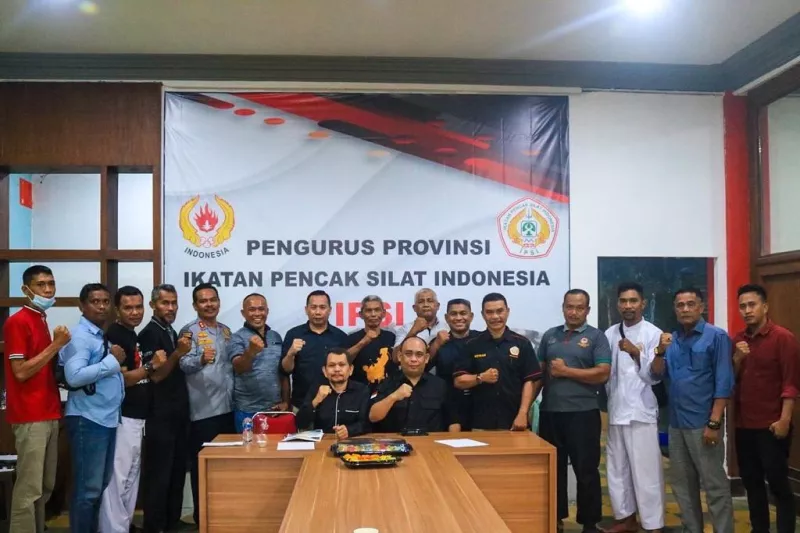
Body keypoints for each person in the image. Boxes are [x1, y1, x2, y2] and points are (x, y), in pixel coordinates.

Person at [650, 288, 734, 533]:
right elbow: (657, 373)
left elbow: (724, 382)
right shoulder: (673, 340)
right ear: (675, 309)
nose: (685, 309)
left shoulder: (716, 337)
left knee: (714, 486)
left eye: (690, 304)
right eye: (680, 305)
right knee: (683, 488)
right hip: (676, 425)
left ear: (701, 307)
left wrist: (714, 423)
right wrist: (660, 350)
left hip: (703, 424)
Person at [538, 289, 611, 533]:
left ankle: (589, 523)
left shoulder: (596, 337)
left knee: (586, 470)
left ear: (587, 310)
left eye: (580, 308)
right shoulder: (550, 336)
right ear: (563, 307)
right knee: (552, 470)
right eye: (570, 306)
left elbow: (603, 373)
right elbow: (539, 374)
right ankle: (555, 519)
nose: (574, 312)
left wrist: (566, 371)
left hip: (583, 414)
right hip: (551, 413)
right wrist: (524, 407)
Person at [3, 265, 70, 533]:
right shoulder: (18, 321)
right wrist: (56, 345)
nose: (48, 290)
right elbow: (20, 372)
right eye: (41, 285)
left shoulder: (40, 318)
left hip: (49, 410)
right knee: (29, 488)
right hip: (30, 414)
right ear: (25, 289)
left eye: (51, 283)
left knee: (45, 485)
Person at [98, 286, 166, 533]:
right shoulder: (115, 335)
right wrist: (150, 366)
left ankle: (124, 525)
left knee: (131, 475)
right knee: (118, 477)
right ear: (117, 310)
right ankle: (112, 528)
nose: (135, 312)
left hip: (137, 416)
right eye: (128, 307)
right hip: (122, 415)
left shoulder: (130, 333)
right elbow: (122, 379)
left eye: (138, 307)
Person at [733, 284, 800, 533]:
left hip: (772, 425)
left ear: (765, 307)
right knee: (752, 484)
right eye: (742, 306)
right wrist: (737, 359)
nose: (747, 310)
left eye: (752, 305)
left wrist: (784, 420)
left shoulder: (783, 338)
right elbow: (731, 381)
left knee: (779, 485)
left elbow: (791, 384)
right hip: (744, 425)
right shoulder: (738, 340)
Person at [60, 283, 126, 533]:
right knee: (87, 491)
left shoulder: (98, 334)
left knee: (97, 488)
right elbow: (74, 376)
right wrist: (112, 362)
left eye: (106, 302)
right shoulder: (80, 336)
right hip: (88, 419)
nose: (101, 307)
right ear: (82, 306)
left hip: (104, 418)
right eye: (95, 301)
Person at [602, 283, 664, 533]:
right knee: (617, 470)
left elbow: (655, 376)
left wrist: (636, 353)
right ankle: (625, 518)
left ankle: (653, 524)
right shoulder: (610, 333)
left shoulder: (653, 334)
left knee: (646, 472)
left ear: (643, 303)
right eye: (623, 301)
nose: (628, 306)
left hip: (641, 411)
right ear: (618, 304)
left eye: (633, 301)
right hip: (616, 410)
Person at [138, 284, 193, 533]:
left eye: (174, 303)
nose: (170, 308)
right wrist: (178, 353)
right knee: (160, 474)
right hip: (159, 415)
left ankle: (172, 522)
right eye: (165, 303)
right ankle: (155, 526)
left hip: (178, 413)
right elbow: (156, 376)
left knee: (177, 471)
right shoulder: (149, 334)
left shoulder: (170, 330)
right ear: (153, 305)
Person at [179, 283, 234, 527]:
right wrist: (200, 359)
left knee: (225, 467)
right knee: (202, 467)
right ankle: (202, 519)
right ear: (195, 305)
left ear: (219, 302)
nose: (209, 304)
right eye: (203, 301)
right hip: (203, 411)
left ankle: (222, 516)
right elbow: (182, 364)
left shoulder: (225, 331)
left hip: (228, 408)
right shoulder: (189, 332)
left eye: (213, 300)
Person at [453, 293, 541, 431]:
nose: (495, 316)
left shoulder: (522, 343)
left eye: (499, 311)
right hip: (480, 423)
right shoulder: (471, 345)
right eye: (489, 312)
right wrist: (480, 378)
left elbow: (529, 381)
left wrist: (523, 413)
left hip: (515, 422)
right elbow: (459, 381)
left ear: (507, 311)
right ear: (483, 315)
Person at [369, 337, 459, 433]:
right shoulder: (386, 383)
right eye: (408, 354)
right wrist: (394, 396)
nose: (413, 359)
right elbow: (373, 417)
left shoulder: (440, 385)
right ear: (400, 356)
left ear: (426, 358)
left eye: (419, 355)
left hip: (431, 442)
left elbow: (453, 422)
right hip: (396, 441)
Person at [229, 293, 289, 432]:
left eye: (261, 309)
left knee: (277, 447)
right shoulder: (237, 337)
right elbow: (239, 368)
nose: (257, 313)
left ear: (267, 311)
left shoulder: (275, 336)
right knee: (249, 446)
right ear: (243, 313)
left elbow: (283, 372)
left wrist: (286, 401)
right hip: (247, 411)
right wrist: (250, 352)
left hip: (275, 410)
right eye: (252, 309)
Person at [281, 290, 348, 410]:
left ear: (330, 310)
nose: (317, 312)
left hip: (333, 404)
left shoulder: (340, 337)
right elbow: (286, 370)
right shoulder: (293, 334)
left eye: (322, 307)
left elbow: (346, 371)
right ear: (306, 310)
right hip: (301, 404)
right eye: (313, 307)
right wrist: (290, 354)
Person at [296, 348, 371, 437]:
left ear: (350, 369)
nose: (337, 369)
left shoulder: (362, 390)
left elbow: (367, 423)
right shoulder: (316, 389)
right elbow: (300, 423)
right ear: (324, 371)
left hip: (351, 441)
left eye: (342, 365)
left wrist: (349, 430)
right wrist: (316, 400)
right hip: (323, 442)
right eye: (331, 365)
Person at [430, 298, 479, 430]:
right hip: (446, 406)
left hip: (479, 405)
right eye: (453, 314)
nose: (458, 318)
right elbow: (422, 367)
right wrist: (436, 344)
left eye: (463, 313)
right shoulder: (439, 342)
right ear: (447, 318)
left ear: (471, 316)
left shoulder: (482, 339)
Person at [346, 295, 397, 391]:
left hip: (387, 392)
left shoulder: (391, 336)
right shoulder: (352, 338)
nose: (373, 314)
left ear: (383, 313)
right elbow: (343, 361)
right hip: (359, 393)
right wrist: (364, 341)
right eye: (368, 310)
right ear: (361, 314)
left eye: (377, 310)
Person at [392, 288, 447, 362]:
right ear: (414, 308)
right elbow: (395, 358)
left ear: (438, 306)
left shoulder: (447, 328)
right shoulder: (405, 328)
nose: (426, 305)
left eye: (430, 301)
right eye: (421, 302)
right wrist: (412, 332)